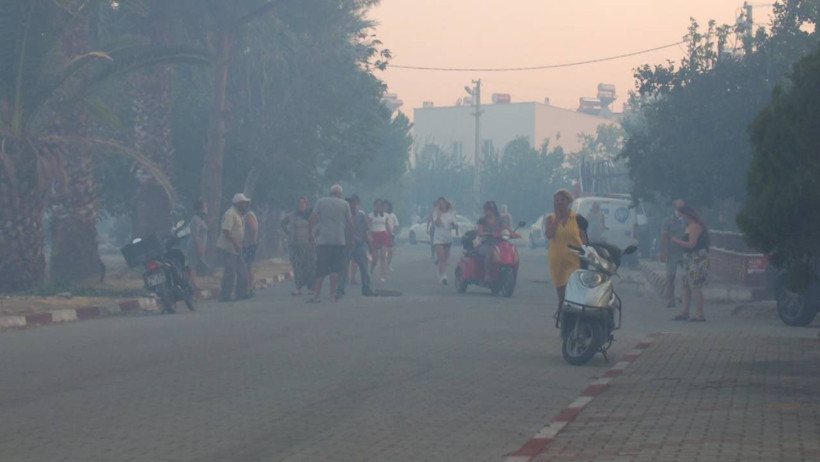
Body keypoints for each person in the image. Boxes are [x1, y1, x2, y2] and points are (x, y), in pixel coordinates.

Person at [308, 185, 354, 303]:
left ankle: (316, 296)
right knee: (335, 270)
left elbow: (312, 217)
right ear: (340, 194)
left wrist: (310, 233)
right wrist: (351, 239)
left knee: (321, 269)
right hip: (339, 241)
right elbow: (350, 222)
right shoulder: (344, 204)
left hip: (324, 241)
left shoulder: (321, 202)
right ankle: (331, 296)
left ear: (330, 193)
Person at [546, 189, 589, 309]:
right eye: (557, 200)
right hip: (556, 261)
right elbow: (549, 235)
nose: (559, 203)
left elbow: (584, 240)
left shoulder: (577, 219)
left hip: (574, 260)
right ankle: (563, 317)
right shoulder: (550, 218)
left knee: (571, 289)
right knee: (561, 295)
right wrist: (557, 219)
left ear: (568, 201)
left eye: (562, 200)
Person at [671, 205, 710, 322]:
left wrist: (676, 241)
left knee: (695, 286)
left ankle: (700, 314)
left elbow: (691, 244)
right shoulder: (688, 226)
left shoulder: (694, 226)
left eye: (681, 215)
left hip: (697, 258)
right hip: (688, 258)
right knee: (686, 286)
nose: (680, 218)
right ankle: (685, 312)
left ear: (687, 215)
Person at [336, 195, 373, 298]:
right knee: (343, 268)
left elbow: (366, 231)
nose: (354, 205)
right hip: (346, 244)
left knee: (364, 267)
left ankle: (366, 288)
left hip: (359, 243)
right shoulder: (343, 215)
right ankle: (340, 290)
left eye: (356, 203)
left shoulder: (361, 215)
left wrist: (370, 244)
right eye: (353, 203)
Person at [216, 193, 251, 302]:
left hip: (236, 247)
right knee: (230, 272)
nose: (245, 205)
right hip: (229, 248)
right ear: (238, 203)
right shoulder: (230, 214)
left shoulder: (238, 214)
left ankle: (242, 293)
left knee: (242, 270)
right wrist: (235, 243)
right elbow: (226, 231)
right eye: (244, 203)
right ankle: (224, 295)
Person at [281, 196, 315, 296]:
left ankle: (311, 287)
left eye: (303, 203)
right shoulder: (292, 215)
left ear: (307, 204)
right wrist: (288, 234)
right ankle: (298, 287)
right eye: (300, 203)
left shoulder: (311, 216)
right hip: (294, 245)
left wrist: (314, 236)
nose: (301, 205)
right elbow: (283, 223)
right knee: (297, 266)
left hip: (308, 245)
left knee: (309, 266)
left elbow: (319, 226)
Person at [476, 201, 514, 283]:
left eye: (488, 210)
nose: (485, 212)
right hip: (485, 243)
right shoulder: (482, 220)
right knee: (490, 252)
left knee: (510, 249)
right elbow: (479, 232)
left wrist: (511, 233)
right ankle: (488, 274)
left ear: (492, 210)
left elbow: (506, 228)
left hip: (499, 243)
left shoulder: (499, 220)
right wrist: (488, 234)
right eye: (485, 210)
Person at [659, 199, 687, 308]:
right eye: (678, 208)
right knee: (671, 276)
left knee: (687, 276)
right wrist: (662, 252)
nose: (680, 210)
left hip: (686, 252)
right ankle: (671, 299)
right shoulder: (668, 221)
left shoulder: (688, 220)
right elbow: (663, 237)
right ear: (674, 208)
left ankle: (684, 299)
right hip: (672, 252)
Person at [432, 197, 458, 285]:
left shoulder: (451, 213)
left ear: (446, 204)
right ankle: (443, 276)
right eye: (439, 203)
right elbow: (437, 224)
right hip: (438, 239)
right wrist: (439, 213)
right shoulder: (435, 213)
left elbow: (455, 225)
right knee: (442, 258)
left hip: (447, 238)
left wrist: (454, 225)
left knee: (445, 259)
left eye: (443, 203)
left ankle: (440, 273)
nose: (441, 205)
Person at [185, 199, 209, 292]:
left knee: (195, 266)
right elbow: (196, 235)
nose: (206, 208)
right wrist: (200, 247)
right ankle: (191, 284)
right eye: (205, 206)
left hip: (197, 246)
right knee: (193, 266)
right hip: (194, 247)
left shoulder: (200, 219)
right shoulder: (195, 219)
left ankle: (193, 283)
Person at [369, 199, 392, 283]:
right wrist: (369, 237)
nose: (379, 207)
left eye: (380, 205)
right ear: (374, 206)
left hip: (383, 235)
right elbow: (368, 227)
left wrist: (390, 234)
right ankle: (370, 271)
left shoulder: (386, 215)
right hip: (374, 235)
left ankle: (382, 275)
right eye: (377, 205)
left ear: (382, 207)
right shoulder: (371, 216)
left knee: (383, 256)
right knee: (375, 258)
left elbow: (387, 225)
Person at [242, 204, 259, 296]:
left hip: (248, 245)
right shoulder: (250, 214)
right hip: (250, 244)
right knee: (249, 266)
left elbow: (253, 228)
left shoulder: (248, 215)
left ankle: (248, 287)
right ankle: (250, 287)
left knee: (247, 267)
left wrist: (250, 240)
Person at [385, 200, 399, 272]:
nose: (385, 207)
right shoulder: (381, 215)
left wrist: (393, 231)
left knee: (390, 250)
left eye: (387, 206)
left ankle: (388, 264)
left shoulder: (392, 215)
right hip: (382, 234)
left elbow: (396, 225)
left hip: (390, 235)